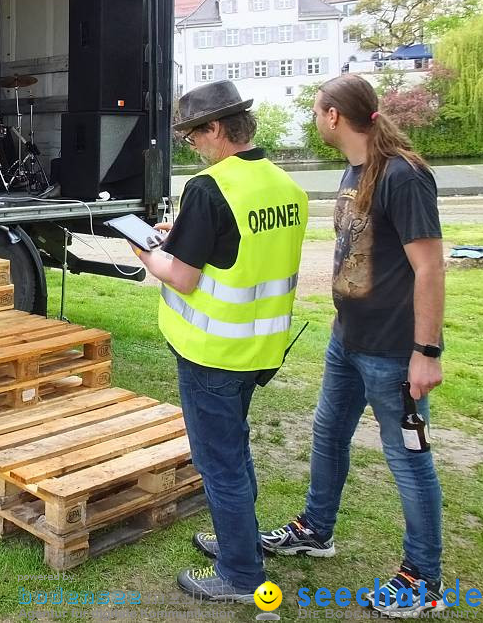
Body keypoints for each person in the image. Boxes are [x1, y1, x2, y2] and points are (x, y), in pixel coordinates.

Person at [260, 74, 446, 617]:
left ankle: (423, 578)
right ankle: (316, 530)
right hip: (348, 339)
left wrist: (426, 352)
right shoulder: (355, 169)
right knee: (327, 433)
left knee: (409, 460)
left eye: (317, 110)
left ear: (334, 115)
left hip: (393, 349)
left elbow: (430, 266)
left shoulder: (402, 175)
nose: (315, 118)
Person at [130, 80, 308, 603]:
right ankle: (243, 543)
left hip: (211, 352)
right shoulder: (285, 187)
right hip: (260, 349)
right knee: (236, 451)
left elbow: (182, 277)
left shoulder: (210, 188)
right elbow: (239, 249)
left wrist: (146, 251)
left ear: (216, 129)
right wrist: (181, 234)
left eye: (192, 137)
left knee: (220, 463)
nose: (193, 146)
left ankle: (240, 574)